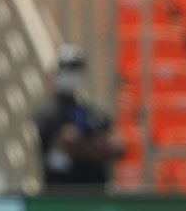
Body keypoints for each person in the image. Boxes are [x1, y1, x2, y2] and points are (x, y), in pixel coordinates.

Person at [35, 44, 125, 191]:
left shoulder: (90, 112)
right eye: (68, 69)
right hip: (60, 197)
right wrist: (99, 146)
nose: (72, 74)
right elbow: (71, 144)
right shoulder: (49, 112)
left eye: (76, 69)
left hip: (95, 195)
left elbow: (118, 147)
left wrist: (84, 144)